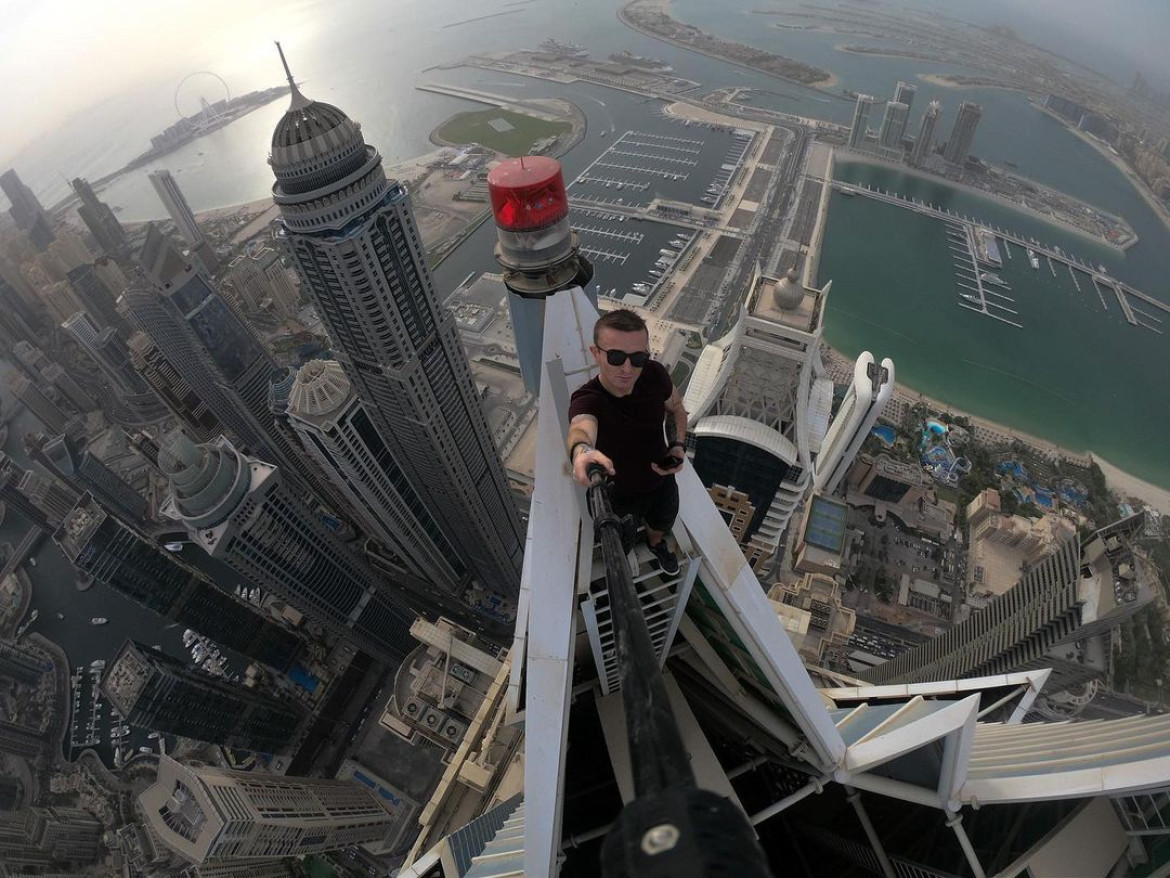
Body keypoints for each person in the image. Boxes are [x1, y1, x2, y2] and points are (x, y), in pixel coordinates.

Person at [567, 309, 688, 575]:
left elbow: (676, 408)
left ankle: (656, 545)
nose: (627, 368)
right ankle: (627, 551)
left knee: (662, 524)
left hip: (660, 480)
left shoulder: (655, 374)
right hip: (615, 494)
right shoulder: (589, 398)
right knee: (620, 542)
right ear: (596, 353)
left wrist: (678, 445)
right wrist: (582, 451)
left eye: (638, 358)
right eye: (616, 356)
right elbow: (581, 427)